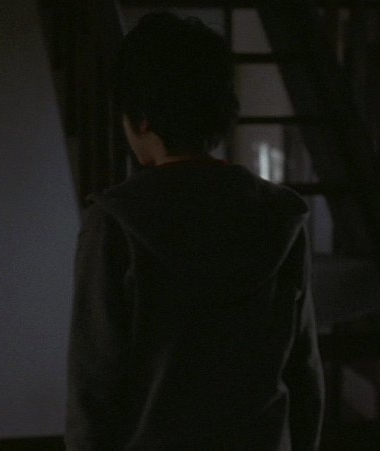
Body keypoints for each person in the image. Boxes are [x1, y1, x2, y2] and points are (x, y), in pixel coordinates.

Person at [65, 12, 324, 451]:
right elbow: (304, 374)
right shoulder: (277, 215)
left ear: (142, 120)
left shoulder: (115, 224)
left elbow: (94, 390)